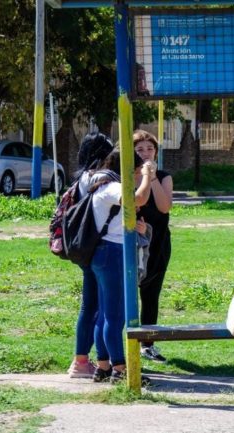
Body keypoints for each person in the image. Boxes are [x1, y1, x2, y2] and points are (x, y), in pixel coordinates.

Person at [90, 150, 154, 384]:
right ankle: (120, 369)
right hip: (112, 251)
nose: (138, 177)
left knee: (105, 313)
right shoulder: (113, 187)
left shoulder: (102, 184)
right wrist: (148, 175)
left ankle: (104, 366)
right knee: (115, 315)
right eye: (136, 172)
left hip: (103, 251)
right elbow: (138, 199)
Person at [67, 132, 114, 378]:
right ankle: (92, 362)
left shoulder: (80, 178)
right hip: (99, 246)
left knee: (90, 305)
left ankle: (82, 361)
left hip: (83, 246)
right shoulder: (100, 178)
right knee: (101, 308)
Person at [133, 129, 173, 363]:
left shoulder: (164, 176)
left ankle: (147, 344)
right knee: (127, 294)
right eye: (140, 150)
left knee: (150, 295)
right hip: (133, 244)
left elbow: (164, 206)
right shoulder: (126, 178)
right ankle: (124, 344)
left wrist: (153, 177)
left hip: (157, 244)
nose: (146, 153)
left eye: (150, 149)